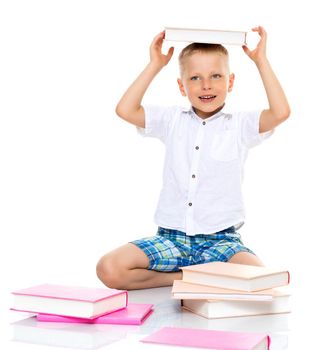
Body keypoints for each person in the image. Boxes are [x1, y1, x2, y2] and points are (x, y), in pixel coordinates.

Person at [97, 26, 290, 290]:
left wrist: (261, 61)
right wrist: (155, 65)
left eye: (216, 76)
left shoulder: (239, 126)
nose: (206, 85)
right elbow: (125, 109)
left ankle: (207, 273)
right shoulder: (172, 120)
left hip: (221, 242)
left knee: (262, 281)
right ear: (182, 85)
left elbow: (280, 112)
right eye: (195, 78)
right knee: (110, 269)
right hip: (171, 239)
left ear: (230, 82)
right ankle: (189, 277)